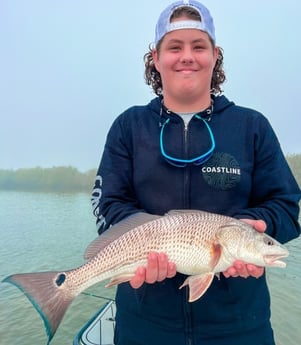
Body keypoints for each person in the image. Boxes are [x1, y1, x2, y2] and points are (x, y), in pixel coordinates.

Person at [91, 1, 301, 344]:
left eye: (198, 46)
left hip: (240, 327)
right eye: (175, 46)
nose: (187, 56)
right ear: (156, 58)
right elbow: (108, 202)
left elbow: (286, 205)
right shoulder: (128, 127)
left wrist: (256, 227)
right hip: (143, 326)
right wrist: (141, 242)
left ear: (214, 56)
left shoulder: (252, 126)